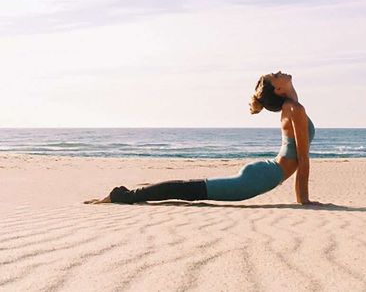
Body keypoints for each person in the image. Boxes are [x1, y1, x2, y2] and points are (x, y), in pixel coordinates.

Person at [85, 71, 321, 206]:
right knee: (192, 190)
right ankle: (122, 196)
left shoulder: (292, 107)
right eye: (276, 76)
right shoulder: (295, 110)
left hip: (264, 174)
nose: (280, 72)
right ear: (279, 90)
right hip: (259, 178)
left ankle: (131, 193)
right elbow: (303, 160)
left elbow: (301, 158)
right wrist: (305, 201)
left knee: (192, 189)